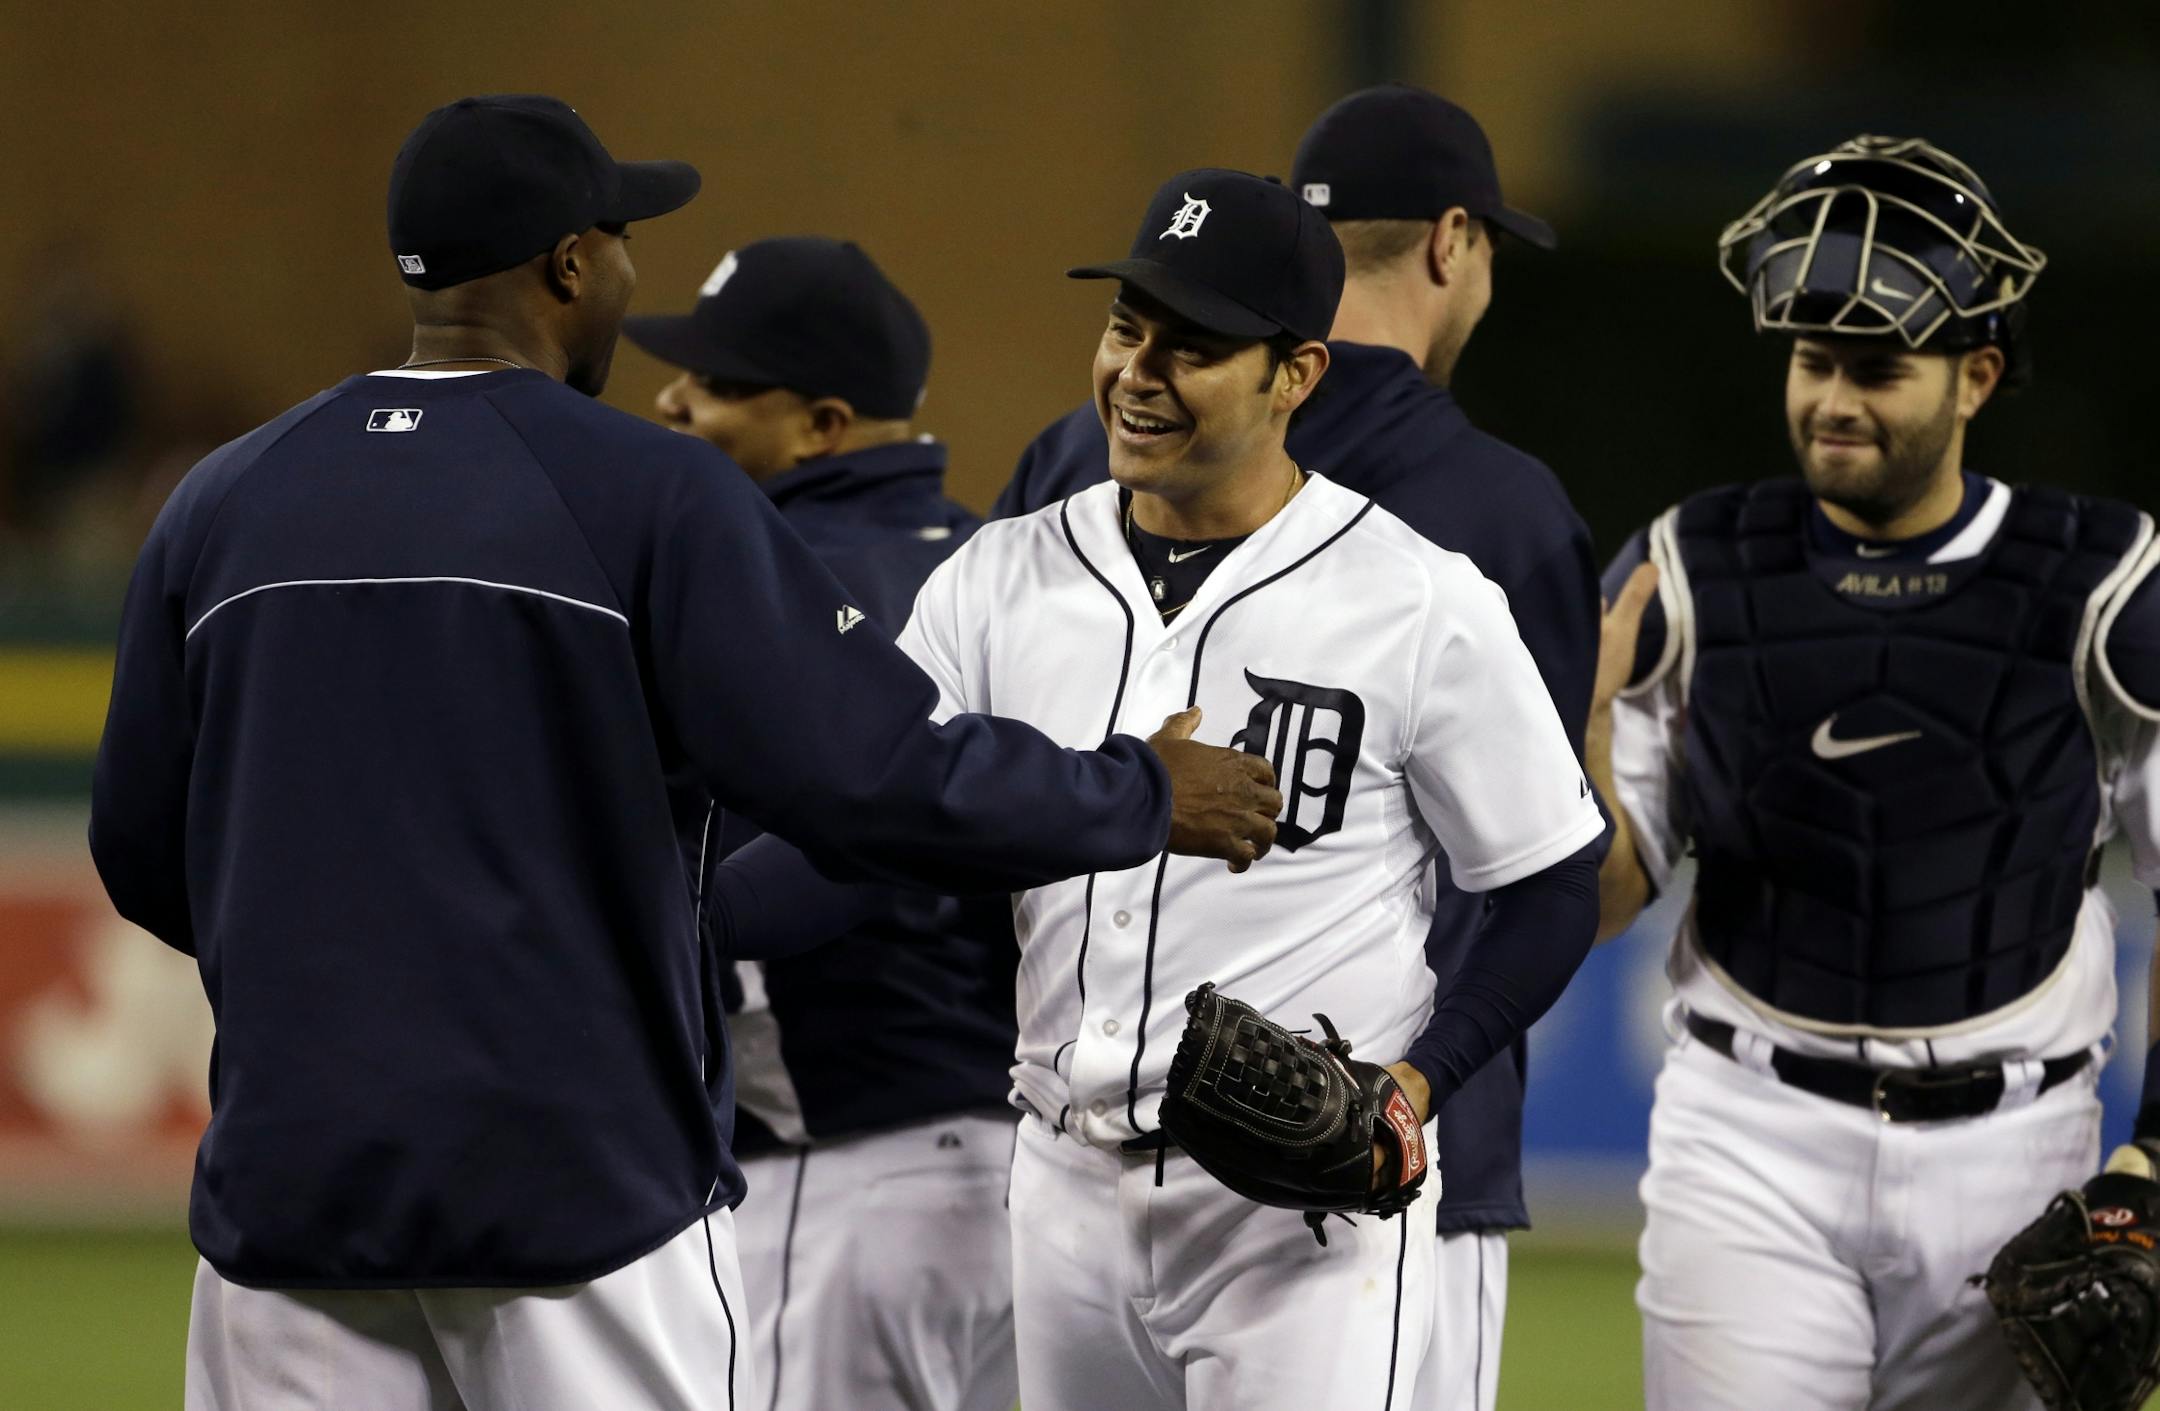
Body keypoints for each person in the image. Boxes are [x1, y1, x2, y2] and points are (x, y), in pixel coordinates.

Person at [87, 95, 1281, 1411]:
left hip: (290, 1190)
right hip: (576, 1189)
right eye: (621, 239)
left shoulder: (220, 499)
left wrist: (355, 976)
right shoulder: (644, 490)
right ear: (571, 263)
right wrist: (1136, 788)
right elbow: (872, 779)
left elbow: (142, 850)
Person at [722, 166, 1604, 1410]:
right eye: (1128, 328)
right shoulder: (1001, 576)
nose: (1139, 371)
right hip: (1060, 1186)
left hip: (1301, 1219)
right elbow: (868, 831)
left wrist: (1419, 1083)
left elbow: (1552, 883)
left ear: (1295, 374)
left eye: (1192, 346)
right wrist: (678, 922)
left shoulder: (1418, 599)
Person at [991, 85, 1600, 1411]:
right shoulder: (1501, 511)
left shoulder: (1065, 461)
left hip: (1068, 1143)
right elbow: (1555, 878)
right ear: (1454, 241)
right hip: (1385, 1171)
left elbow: (981, 796)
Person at [1589, 134, 2160, 1410]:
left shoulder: (2103, 586)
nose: (1834, 398)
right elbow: (1604, 903)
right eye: (1812, 361)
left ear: (1977, 377)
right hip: (1747, 1140)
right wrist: (1584, 722)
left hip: (2018, 1159)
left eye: (1877, 367)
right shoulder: (1688, 571)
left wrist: (2153, 1161)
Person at [623, 236, 1019, 1411]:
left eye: (716, 382)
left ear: (824, 426)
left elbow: (847, 852)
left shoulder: (767, 580)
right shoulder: (1004, 568)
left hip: (839, 1180)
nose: (670, 398)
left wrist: (660, 924)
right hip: (1025, 1185)